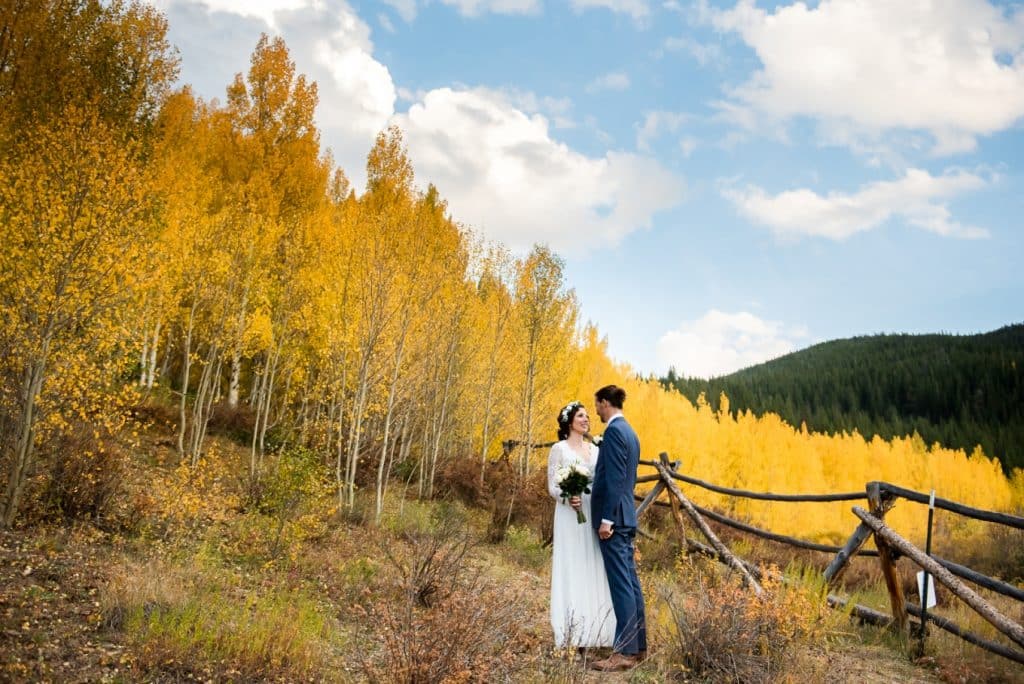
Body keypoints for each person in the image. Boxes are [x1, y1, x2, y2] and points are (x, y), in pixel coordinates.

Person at [547, 400, 616, 653]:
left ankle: (595, 631)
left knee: (592, 563)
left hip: (591, 509)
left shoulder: (595, 449)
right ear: (569, 422)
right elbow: (552, 486)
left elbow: (602, 480)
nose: (586, 420)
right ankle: (572, 631)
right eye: (580, 416)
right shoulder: (559, 449)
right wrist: (567, 497)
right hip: (569, 514)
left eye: (587, 416)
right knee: (572, 564)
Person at [589, 385, 647, 672]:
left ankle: (624, 651)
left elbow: (614, 479)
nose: (596, 411)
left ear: (604, 403)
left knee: (621, 584)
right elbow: (628, 480)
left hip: (615, 520)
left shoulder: (613, 432)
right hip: (627, 517)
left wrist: (607, 520)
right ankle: (638, 648)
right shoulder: (631, 433)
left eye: (597, 405)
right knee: (631, 583)